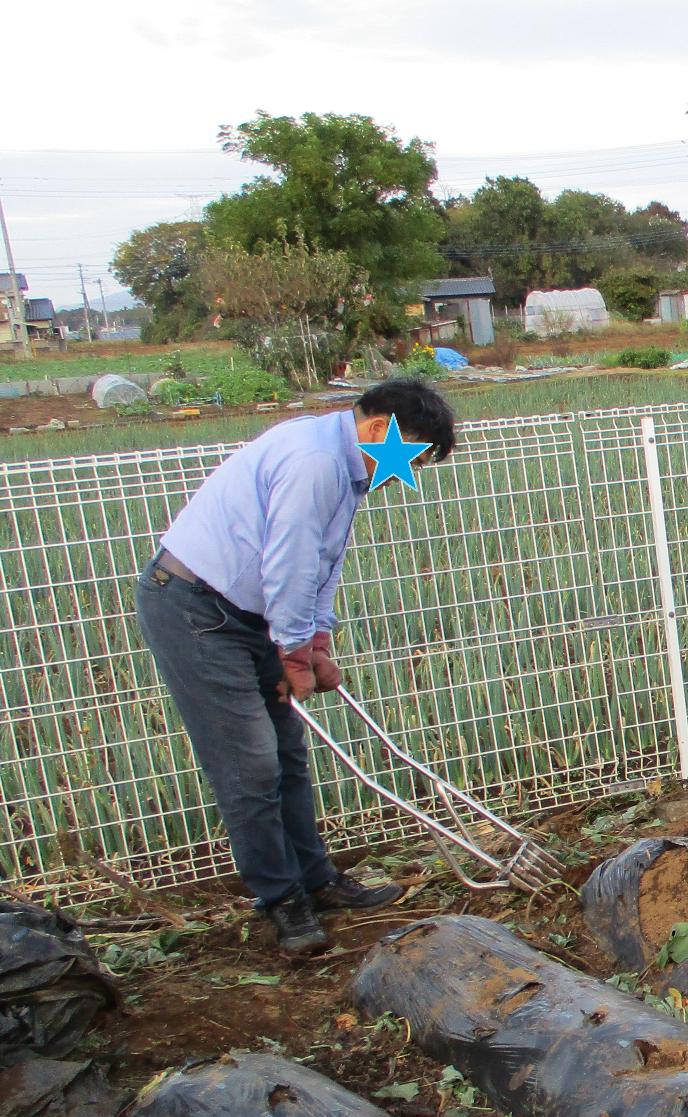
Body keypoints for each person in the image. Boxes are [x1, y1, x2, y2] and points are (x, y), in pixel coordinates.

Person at [133, 378, 458, 956]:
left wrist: (318, 641)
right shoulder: (315, 463)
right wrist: (293, 652)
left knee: (286, 753)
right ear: (379, 429)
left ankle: (317, 879)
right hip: (196, 608)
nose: (407, 469)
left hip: (248, 610)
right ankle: (282, 901)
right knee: (251, 764)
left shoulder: (345, 470)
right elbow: (288, 561)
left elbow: (322, 564)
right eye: (412, 451)